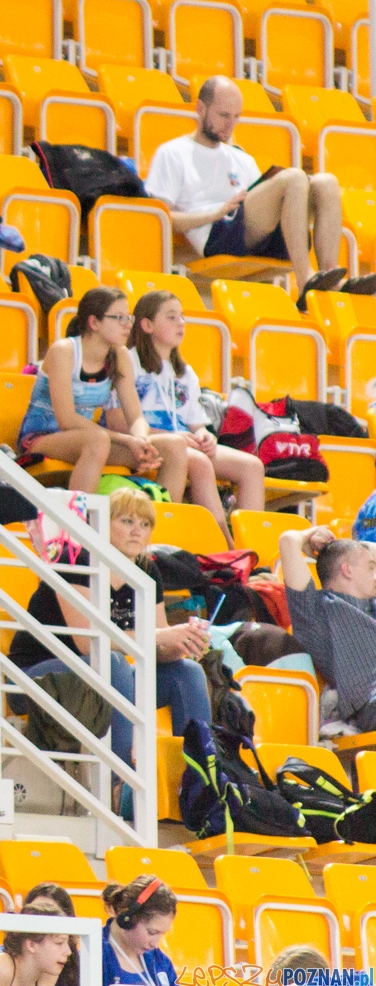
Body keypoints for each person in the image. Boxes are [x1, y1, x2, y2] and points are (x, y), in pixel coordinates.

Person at [7, 489, 212, 790]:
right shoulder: (76, 561)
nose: (136, 530)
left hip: (100, 677)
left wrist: (184, 644)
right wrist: (163, 635)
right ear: (101, 523)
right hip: (34, 678)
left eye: (145, 524)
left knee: (186, 672)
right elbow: (88, 643)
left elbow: (155, 648)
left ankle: (198, 784)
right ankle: (118, 782)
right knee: (112, 663)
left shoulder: (146, 569)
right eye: (127, 520)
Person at [144, 76, 368, 301]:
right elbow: (160, 217)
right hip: (217, 233)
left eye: (236, 117)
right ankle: (305, 279)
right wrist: (214, 214)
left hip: (254, 231)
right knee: (293, 177)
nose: (230, 124)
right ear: (201, 108)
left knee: (326, 183)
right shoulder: (172, 152)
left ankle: (331, 275)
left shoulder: (240, 156)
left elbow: (260, 198)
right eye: (223, 115)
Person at [20, 288, 182, 495]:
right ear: (94, 322)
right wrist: (127, 440)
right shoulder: (64, 351)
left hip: (90, 439)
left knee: (174, 447)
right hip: (42, 437)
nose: (127, 326)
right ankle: (76, 521)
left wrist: (141, 439)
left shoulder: (120, 355)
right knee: (97, 440)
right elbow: (67, 420)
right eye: (119, 318)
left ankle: (164, 523)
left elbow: (136, 418)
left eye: (129, 318)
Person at [129, 290, 265, 532]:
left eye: (182, 317)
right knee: (200, 462)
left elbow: (196, 423)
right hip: (150, 440)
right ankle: (223, 542)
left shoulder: (185, 372)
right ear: (147, 325)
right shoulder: (130, 361)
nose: (181, 323)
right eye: (171, 317)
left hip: (185, 442)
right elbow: (124, 420)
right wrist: (178, 438)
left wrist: (206, 436)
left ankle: (250, 538)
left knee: (252, 466)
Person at [280, 526, 376, 731]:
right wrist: (310, 537)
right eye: (371, 567)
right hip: (370, 703)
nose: (375, 574)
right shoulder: (315, 612)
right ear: (347, 569)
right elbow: (288, 540)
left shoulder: (373, 603)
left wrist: (342, 547)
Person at [101, 876, 179, 986]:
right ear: (127, 919)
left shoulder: (160, 962)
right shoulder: (94, 957)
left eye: (162, 934)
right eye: (152, 932)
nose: (155, 944)